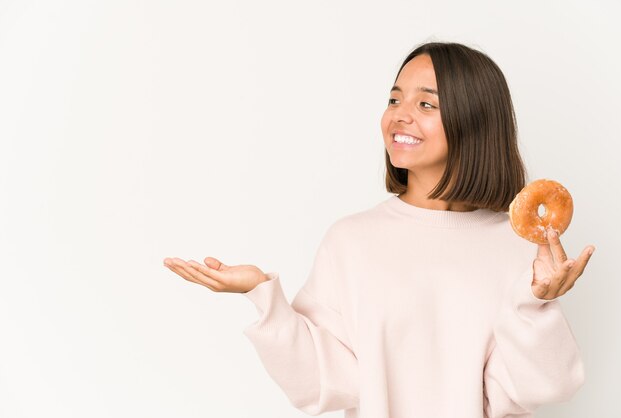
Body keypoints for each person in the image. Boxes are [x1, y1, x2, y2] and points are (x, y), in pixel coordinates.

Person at [163, 41, 595, 418]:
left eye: (426, 104)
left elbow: (537, 390)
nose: (400, 117)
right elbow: (322, 383)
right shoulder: (351, 240)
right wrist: (262, 294)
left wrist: (534, 304)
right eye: (394, 100)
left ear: (474, 120)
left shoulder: (518, 248)